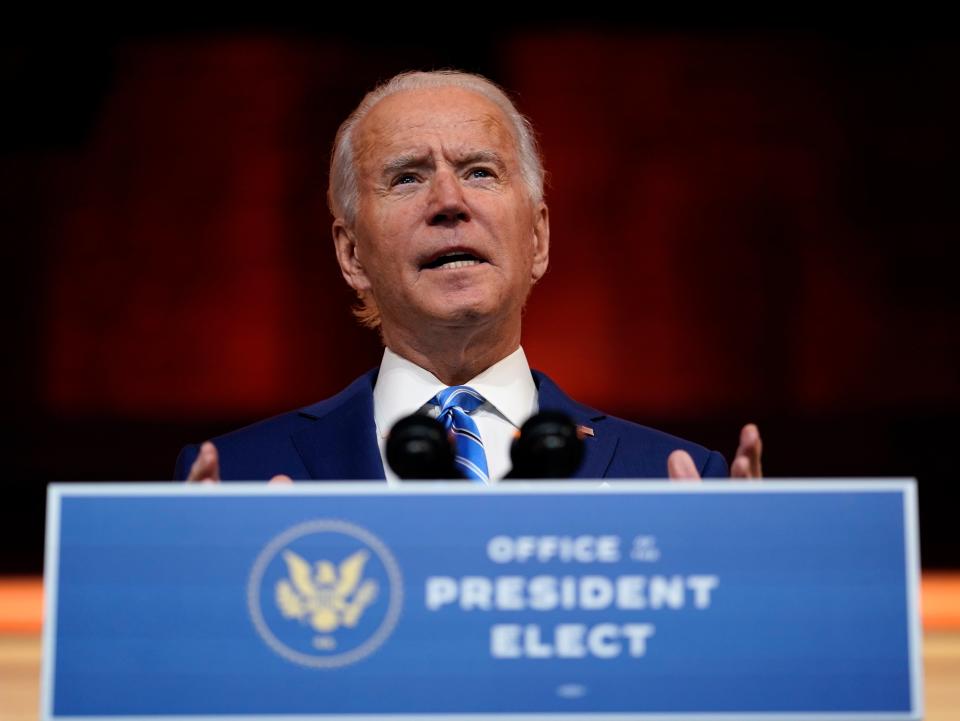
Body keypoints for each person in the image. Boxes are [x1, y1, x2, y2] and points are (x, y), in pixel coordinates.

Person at [176, 70, 762, 484]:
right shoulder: (235, 480)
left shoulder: (677, 482)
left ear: (537, 239)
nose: (449, 202)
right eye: (407, 178)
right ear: (351, 254)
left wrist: (743, 589)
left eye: (480, 171)